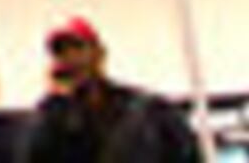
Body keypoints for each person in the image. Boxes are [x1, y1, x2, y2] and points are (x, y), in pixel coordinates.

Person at [24, 18, 201, 163]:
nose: (71, 60)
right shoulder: (52, 122)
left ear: (99, 54)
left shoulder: (149, 112)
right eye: (62, 53)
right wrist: (56, 104)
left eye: (78, 49)